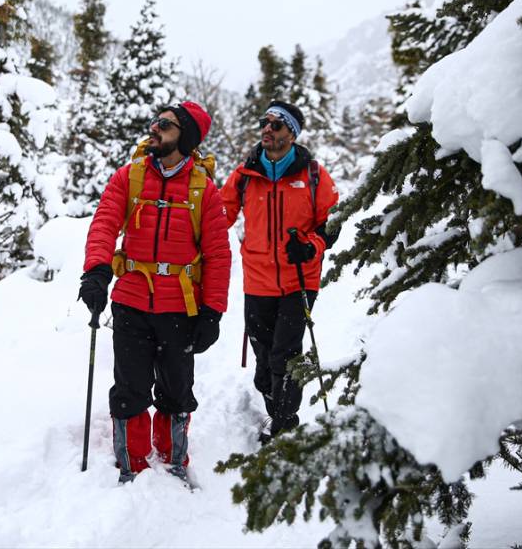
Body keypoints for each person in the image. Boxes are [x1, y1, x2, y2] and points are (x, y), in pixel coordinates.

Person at [78, 101, 231, 485]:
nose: (155, 128)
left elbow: (218, 255)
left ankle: (173, 459)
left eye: (165, 124)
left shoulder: (204, 190)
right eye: (156, 121)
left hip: (181, 306)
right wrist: (96, 271)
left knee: (176, 390)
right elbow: (104, 224)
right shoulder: (129, 177)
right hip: (130, 301)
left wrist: (212, 311)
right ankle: (132, 464)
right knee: (129, 388)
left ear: (186, 136)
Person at [221, 100, 339, 443]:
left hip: (299, 280)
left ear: (292, 133)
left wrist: (311, 245)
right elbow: (219, 215)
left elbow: (333, 222)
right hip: (257, 280)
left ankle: (284, 427)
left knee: (285, 355)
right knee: (264, 360)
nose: (267, 129)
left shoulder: (313, 175)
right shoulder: (245, 175)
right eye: (265, 122)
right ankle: (276, 410)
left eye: (276, 124)